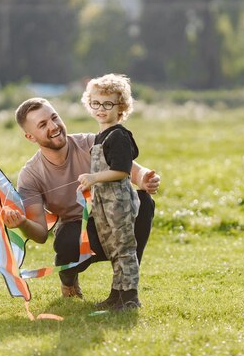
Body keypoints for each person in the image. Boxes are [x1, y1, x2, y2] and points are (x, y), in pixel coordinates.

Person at [0, 96, 160, 310]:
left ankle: (124, 290)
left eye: (54, 118)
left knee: (143, 202)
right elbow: (39, 234)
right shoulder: (30, 175)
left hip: (113, 219)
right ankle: (68, 280)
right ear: (30, 136)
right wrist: (20, 222)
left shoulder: (91, 142)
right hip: (78, 231)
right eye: (43, 124)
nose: (54, 126)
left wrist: (145, 178)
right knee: (65, 241)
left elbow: (131, 170)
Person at [77, 74, 142, 310]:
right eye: (95, 103)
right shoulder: (100, 136)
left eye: (108, 104)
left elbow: (122, 171)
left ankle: (131, 297)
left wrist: (93, 178)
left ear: (121, 107)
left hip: (119, 202)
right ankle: (116, 295)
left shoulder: (118, 136)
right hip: (103, 203)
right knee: (113, 249)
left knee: (124, 249)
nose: (101, 109)